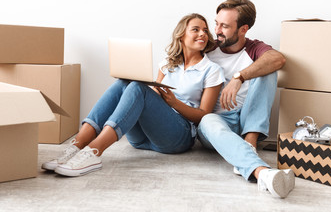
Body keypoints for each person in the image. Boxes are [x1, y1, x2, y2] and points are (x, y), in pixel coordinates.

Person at [42, 13, 225, 177]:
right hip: (142, 139)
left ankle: (94, 152)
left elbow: (204, 115)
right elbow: (152, 97)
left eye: (205, 30)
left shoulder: (211, 70)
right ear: (181, 35)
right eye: (195, 29)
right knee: (124, 83)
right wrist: (154, 95)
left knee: (137, 87)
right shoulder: (167, 64)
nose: (202, 34)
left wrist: (174, 103)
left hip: (178, 137)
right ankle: (76, 146)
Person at [197, 0, 295, 198]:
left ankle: (249, 144)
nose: (216, 31)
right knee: (206, 120)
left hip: (245, 119)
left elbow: (278, 59)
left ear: (243, 29)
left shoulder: (253, 48)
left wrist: (239, 77)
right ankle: (262, 171)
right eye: (216, 24)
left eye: (224, 26)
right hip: (217, 123)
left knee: (268, 70)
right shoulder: (208, 49)